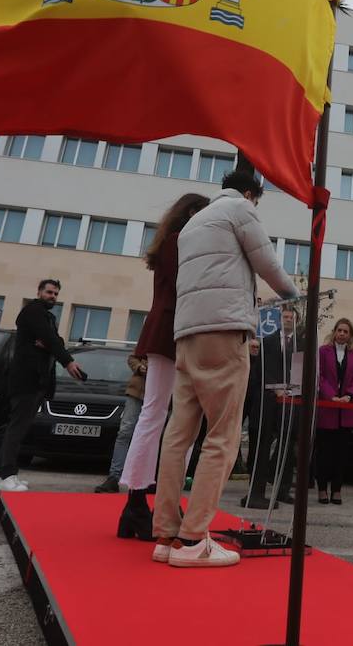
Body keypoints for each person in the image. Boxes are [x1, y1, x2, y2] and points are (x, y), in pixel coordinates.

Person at [150, 168, 298, 568]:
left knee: (178, 435)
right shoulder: (239, 209)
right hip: (224, 331)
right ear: (251, 193)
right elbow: (266, 262)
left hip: (187, 335)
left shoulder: (193, 222)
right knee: (223, 436)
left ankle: (165, 534)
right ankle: (194, 538)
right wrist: (291, 292)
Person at [115, 193, 210, 539]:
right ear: (192, 214)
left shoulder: (174, 241)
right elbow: (189, 288)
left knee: (165, 416)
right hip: (172, 331)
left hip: (171, 330)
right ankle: (138, 502)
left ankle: (142, 504)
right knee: (158, 415)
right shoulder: (179, 242)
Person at [0, 280, 83, 492]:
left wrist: (50, 343)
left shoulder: (47, 316)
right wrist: (67, 360)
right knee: (17, 428)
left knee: (19, 427)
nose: (52, 296)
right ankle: (7, 475)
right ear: (39, 292)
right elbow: (51, 339)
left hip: (36, 381)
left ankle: (0, 474)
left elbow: (54, 340)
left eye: (55, 293)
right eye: (49, 292)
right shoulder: (33, 311)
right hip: (26, 380)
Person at [243, 306, 299, 510]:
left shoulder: (301, 344)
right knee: (262, 446)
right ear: (279, 319)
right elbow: (262, 371)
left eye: (291, 317)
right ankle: (256, 492)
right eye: (284, 316)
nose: (287, 319)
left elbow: (300, 371)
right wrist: (276, 389)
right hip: (267, 401)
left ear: (296, 321)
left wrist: (291, 390)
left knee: (287, 445)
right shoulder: (267, 342)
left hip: (291, 402)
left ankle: (282, 490)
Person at [314, 317, 353, 504]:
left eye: (346, 331)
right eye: (339, 330)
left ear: (350, 335)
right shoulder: (323, 351)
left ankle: (336, 489)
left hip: (347, 409)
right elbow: (320, 376)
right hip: (328, 409)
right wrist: (330, 396)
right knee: (324, 452)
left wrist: (349, 395)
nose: (342, 334)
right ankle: (322, 489)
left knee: (342, 454)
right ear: (334, 332)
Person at [95, 353, 148, 493]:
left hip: (160, 393)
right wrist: (139, 366)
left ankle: (147, 479)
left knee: (151, 438)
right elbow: (132, 357)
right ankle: (114, 477)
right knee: (125, 432)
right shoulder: (149, 336)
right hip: (137, 391)